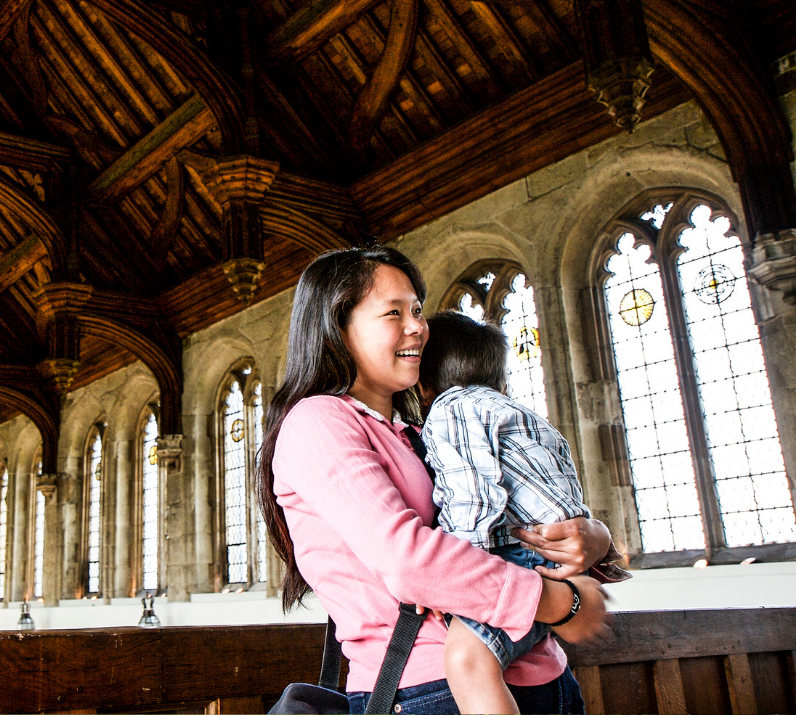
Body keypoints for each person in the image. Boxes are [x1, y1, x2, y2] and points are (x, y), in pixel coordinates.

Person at [257, 247, 614, 714]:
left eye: (418, 310)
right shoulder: (318, 421)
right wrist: (557, 604)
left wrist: (595, 539)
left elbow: (523, 506)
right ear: (337, 328)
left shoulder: (422, 433)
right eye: (394, 313)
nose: (417, 326)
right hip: (432, 689)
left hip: (544, 674)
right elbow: (408, 560)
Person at [418, 311, 628, 714]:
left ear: (424, 385)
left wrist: (458, 574)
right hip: (555, 558)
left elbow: (473, 495)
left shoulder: (452, 409)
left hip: (514, 554)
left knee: (467, 660)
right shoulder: (522, 415)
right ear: (499, 377)